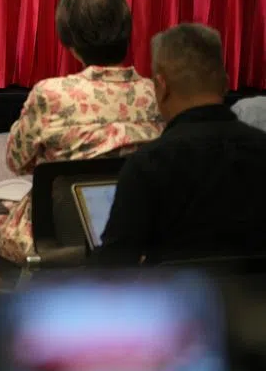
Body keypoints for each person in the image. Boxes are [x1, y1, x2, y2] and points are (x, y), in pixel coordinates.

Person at [0, 0, 162, 264]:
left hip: (59, 233)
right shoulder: (156, 93)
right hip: (140, 230)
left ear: (69, 41)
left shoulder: (51, 94)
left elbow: (17, 161)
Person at [98, 24, 266, 265]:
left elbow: (112, 270)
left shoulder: (148, 165)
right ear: (225, 83)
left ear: (161, 87)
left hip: (175, 302)